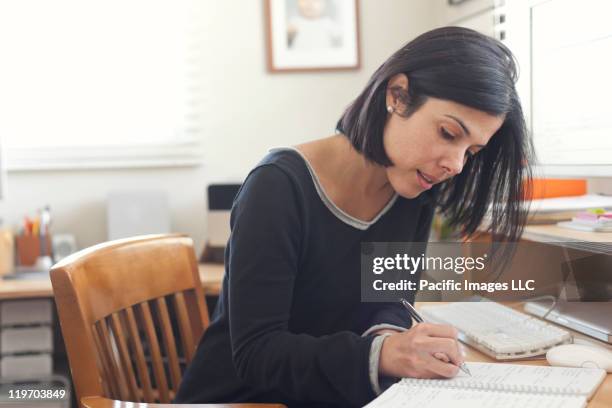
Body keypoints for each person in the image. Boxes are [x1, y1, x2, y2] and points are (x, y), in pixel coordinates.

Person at [175, 26, 532, 407]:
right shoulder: (278, 187)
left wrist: (395, 342)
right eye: (448, 133)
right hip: (241, 400)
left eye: (471, 151)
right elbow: (257, 355)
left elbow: (389, 300)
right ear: (398, 95)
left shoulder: (413, 188)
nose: (456, 165)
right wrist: (385, 354)